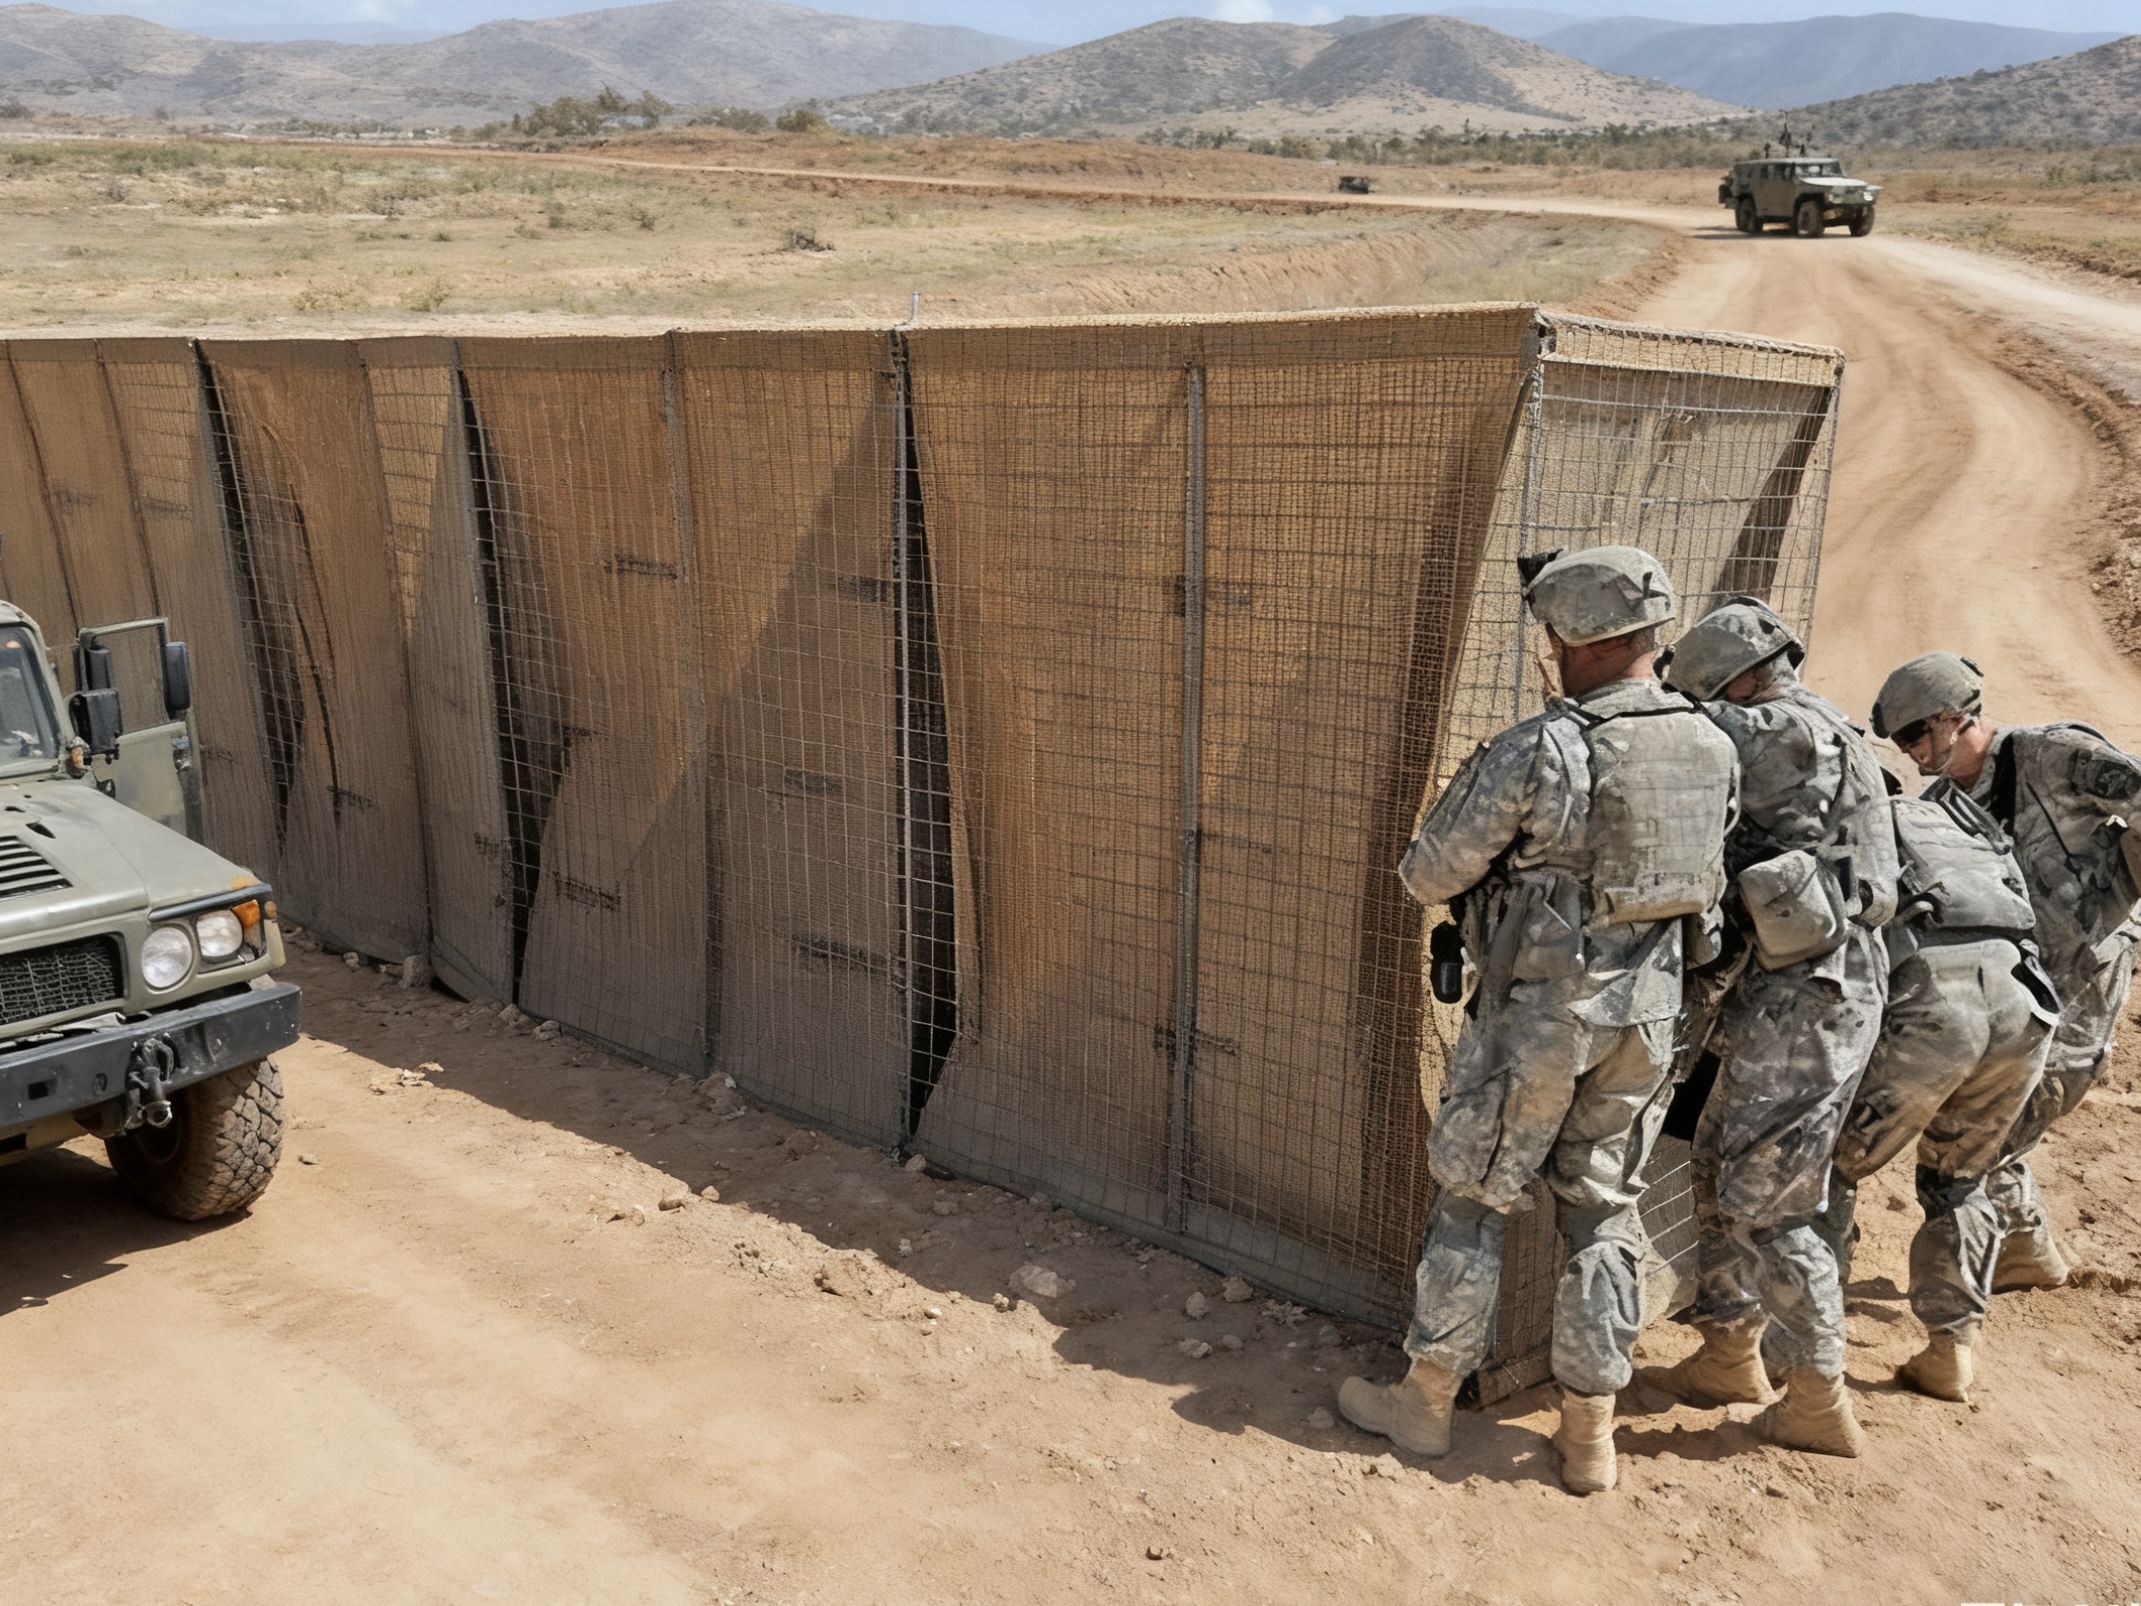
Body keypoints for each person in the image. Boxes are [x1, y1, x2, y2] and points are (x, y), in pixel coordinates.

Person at [1338, 545, 1738, 1495]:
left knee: (1474, 1198)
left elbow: (1426, 873)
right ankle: (1588, 1433)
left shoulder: (1545, 746)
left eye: (1552, 636)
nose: (1547, 653)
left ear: (1577, 640)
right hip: (1648, 1017)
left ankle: (1426, 1402)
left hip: (1539, 1020)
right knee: (1603, 1214)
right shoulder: (1712, 742)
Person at [1645, 598, 1896, 1458]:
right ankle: (1726, 1355)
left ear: (1738, 681)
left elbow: (1676, 735)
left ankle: (1817, 1399)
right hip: (1779, 999)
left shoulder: (1794, 733)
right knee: (1718, 1169)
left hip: (1811, 1005)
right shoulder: (1802, 726)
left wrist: (1617, 686)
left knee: (1775, 1205)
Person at [1871, 653, 2141, 1291]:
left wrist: (2125, 886)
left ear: (1951, 717)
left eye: (1913, 734)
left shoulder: (2053, 754)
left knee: (2033, 1105)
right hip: (2015, 982)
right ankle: (2025, 1247)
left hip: (2088, 970)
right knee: (1992, 1109)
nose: (1909, 752)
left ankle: (2014, 1250)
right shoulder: (1941, 805)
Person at [1817, 785, 2057, 1401]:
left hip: (1938, 1005)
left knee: (1833, 1166)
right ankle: (1951, 1349)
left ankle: (1803, 1342)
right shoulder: (1962, 822)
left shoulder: (1858, 820)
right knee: (1959, 1180)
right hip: (2024, 1002)